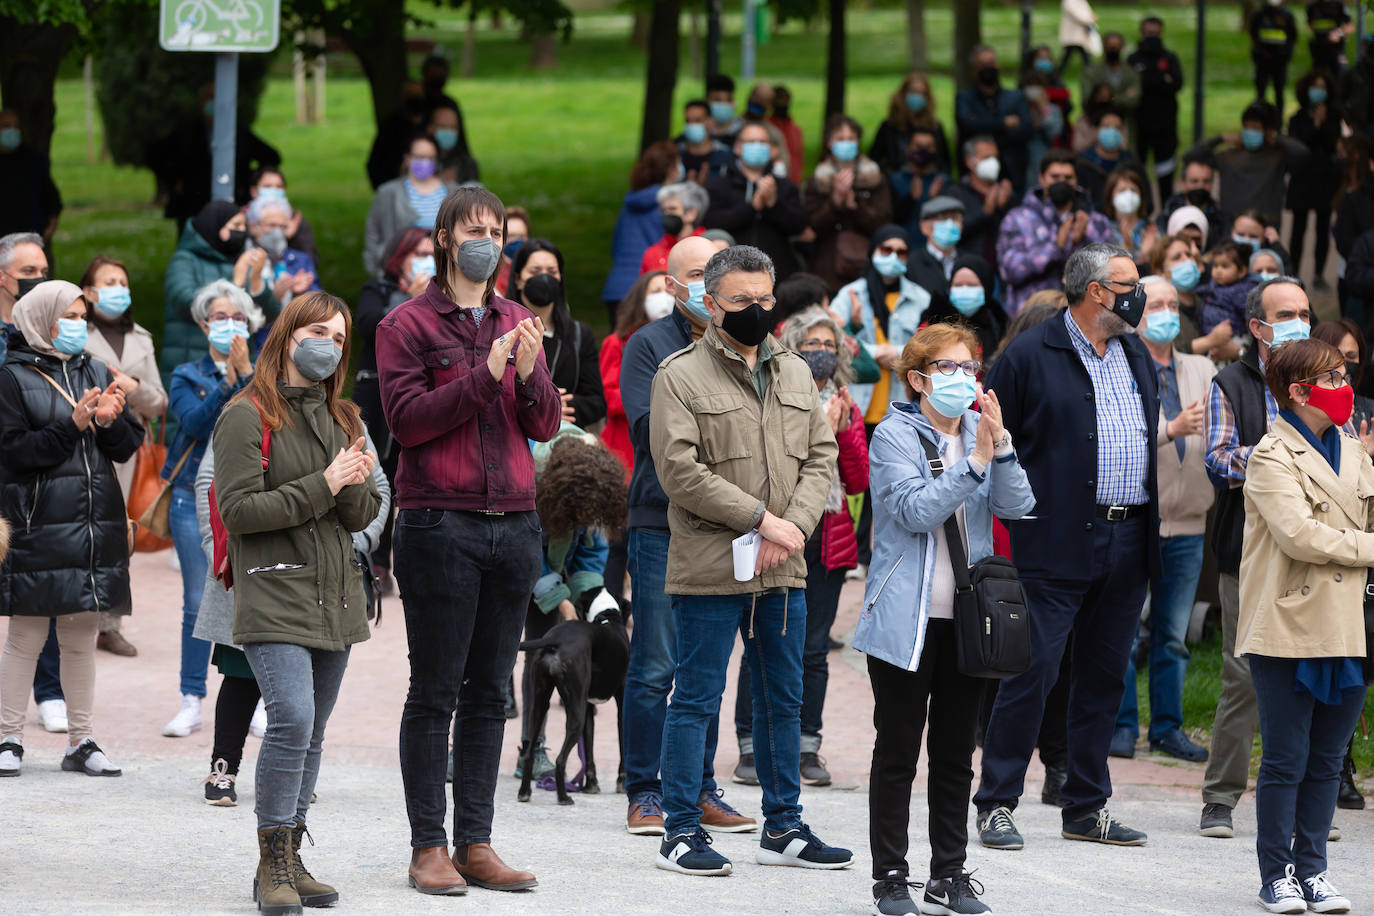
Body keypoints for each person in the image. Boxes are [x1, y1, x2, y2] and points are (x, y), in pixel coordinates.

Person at [376, 187, 559, 895]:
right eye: (474, 229)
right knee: (435, 690)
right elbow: (410, 421)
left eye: (498, 230)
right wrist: (485, 377)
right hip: (438, 523)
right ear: (446, 238)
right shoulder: (407, 325)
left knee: (491, 690)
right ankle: (429, 847)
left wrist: (529, 370)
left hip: (513, 522)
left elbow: (542, 425)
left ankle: (476, 841)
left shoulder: (518, 318)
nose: (488, 239)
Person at [648, 244, 850, 876]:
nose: (757, 311)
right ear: (709, 303)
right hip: (712, 564)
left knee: (782, 699)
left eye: (765, 300)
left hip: (783, 567)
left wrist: (791, 529)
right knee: (698, 697)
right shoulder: (678, 375)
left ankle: (783, 824)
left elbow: (821, 456)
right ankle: (680, 830)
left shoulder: (793, 371)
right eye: (741, 301)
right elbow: (679, 471)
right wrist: (760, 520)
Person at [973, 243, 1157, 851]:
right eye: (1129, 283)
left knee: (1105, 676)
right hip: (1053, 540)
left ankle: (1086, 804)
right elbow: (997, 443)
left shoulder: (1135, 352)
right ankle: (997, 801)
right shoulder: (1028, 354)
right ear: (1096, 290)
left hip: (1128, 537)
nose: (1140, 293)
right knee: (1033, 671)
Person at [857, 322, 1034, 916]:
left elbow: (1018, 505)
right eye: (948, 369)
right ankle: (890, 876)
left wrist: (1000, 447)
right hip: (905, 620)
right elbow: (912, 511)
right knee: (899, 749)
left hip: (968, 618)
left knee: (957, 752)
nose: (963, 379)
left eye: (969, 368)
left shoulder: (982, 435)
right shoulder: (894, 435)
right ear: (918, 379)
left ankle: (949, 874)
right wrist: (977, 461)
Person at [213, 291, 379, 912]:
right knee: (293, 720)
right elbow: (239, 511)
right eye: (318, 333)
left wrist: (356, 481)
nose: (329, 346)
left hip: (336, 595)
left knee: (313, 732)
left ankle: (293, 853)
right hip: (274, 589)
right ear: (287, 335)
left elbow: (360, 514)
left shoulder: (345, 417)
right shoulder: (246, 414)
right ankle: (270, 865)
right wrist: (325, 482)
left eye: (339, 339)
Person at [618, 236, 757, 836]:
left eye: (717, 271)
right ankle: (645, 789)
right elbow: (660, 433)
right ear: (672, 284)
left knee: (705, 669)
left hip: (728, 525)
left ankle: (698, 786)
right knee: (655, 665)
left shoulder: (751, 345)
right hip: (661, 523)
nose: (710, 283)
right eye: (698, 274)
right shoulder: (647, 347)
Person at [1238, 337, 1369, 915]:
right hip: (1290, 621)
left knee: (1327, 758)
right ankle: (1277, 874)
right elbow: (1299, 536)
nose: (1345, 388)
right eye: (1333, 378)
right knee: (1286, 758)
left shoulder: (1354, 449)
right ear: (1298, 390)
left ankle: (1314, 870)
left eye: (1344, 375)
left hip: (1351, 625)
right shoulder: (1270, 455)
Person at [193, 423, 389, 807]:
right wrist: (216, 547)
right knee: (240, 672)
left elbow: (376, 484)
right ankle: (224, 768)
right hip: (256, 569)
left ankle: (295, 776)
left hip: (323, 576)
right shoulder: (246, 411)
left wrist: (358, 545)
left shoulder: (342, 417)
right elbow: (209, 483)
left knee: (308, 689)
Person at [1198, 277, 1328, 840]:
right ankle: (1220, 800)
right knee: (1243, 674)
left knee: (1312, 673)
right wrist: (1284, 451)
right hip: (1246, 552)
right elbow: (1219, 463)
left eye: (1304, 311)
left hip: (1318, 549)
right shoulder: (1230, 381)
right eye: (1286, 313)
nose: (1300, 320)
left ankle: (1305, 801)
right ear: (1258, 327)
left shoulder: (1323, 380)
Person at [0, 280, 142, 778]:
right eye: (71, 316)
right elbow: (14, 452)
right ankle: (8, 737)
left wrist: (106, 421)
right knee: (27, 636)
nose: (80, 325)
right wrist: (74, 425)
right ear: (42, 319)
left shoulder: (97, 369)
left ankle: (81, 741)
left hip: (93, 525)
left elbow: (126, 447)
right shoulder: (12, 377)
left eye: (83, 315)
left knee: (81, 636)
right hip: (38, 523)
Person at [731, 308, 869, 791]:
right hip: (775, 531)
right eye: (813, 343)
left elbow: (857, 479)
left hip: (827, 538)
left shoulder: (844, 404)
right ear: (790, 345)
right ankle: (750, 743)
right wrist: (821, 429)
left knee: (813, 650)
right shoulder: (772, 394)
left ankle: (808, 744)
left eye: (831, 346)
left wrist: (845, 429)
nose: (822, 353)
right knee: (761, 641)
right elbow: (778, 469)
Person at [1108, 276, 1216, 763]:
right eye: (1158, 303)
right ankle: (1122, 726)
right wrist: (1169, 430)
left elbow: (1219, 431)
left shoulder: (1202, 365)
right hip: (1136, 521)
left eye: (1175, 303)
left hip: (1190, 522)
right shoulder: (1119, 362)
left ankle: (1168, 729)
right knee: (1125, 634)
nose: (1168, 311)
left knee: (1172, 638)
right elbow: (1116, 438)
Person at [161, 279, 263, 738]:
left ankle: (257, 696)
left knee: (251, 595)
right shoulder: (188, 375)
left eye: (238, 318)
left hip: (246, 498)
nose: (229, 326)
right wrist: (233, 380)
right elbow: (198, 423)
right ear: (204, 324)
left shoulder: (264, 374)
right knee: (198, 598)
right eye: (220, 318)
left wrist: (248, 375)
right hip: (191, 496)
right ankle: (190, 697)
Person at [80, 256, 168, 657]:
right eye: (108, 281)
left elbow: (159, 400)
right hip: (81, 443)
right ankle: (75, 613)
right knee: (79, 527)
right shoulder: (72, 333)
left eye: (122, 281)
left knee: (119, 531)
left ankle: (109, 623)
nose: (118, 287)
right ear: (89, 292)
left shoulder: (142, 338)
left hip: (127, 448)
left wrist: (133, 387)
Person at [355, 227, 433, 594]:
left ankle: (413, 562)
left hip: (421, 396)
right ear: (399, 256)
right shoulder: (379, 290)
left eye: (430, 252)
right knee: (379, 475)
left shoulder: (441, 297)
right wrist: (408, 299)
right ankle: (378, 560)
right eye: (417, 251)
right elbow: (368, 326)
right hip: (376, 396)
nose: (425, 258)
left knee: (418, 478)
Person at [161, 200, 279, 377]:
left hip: (239, 363)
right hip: (192, 363)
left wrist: (256, 282)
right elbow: (184, 301)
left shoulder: (241, 260)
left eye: (243, 226)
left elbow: (269, 316)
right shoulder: (185, 260)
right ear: (215, 226)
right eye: (235, 225)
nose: (241, 231)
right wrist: (236, 284)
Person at [996, 149, 1115, 314]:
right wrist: (1055, 247)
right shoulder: (1017, 219)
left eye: (1068, 178)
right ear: (1041, 178)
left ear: (1076, 180)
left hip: (1086, 318)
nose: (1062, 182)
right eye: (1055, 177)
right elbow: (1010, 270)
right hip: (1033, 317)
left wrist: (1082, 241)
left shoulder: (1096, 221)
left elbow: (1112, 271)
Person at [146, 83, 281, 229]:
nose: (214, 102)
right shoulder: (187, 133)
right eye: (210, 97)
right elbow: (154, 155)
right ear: (201, 102)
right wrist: (174, 180)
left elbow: (272, 157)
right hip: (193, 203)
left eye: (218, 97)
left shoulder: (239, 133)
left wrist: (247, 180)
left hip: (233, 201)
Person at [838, 226, 933, 422]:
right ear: (873, 251)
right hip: (856, 407)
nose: (893, 256)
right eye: (886, 250)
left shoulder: (921, 298)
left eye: (901, 252)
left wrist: (897, 353)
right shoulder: (850, 294)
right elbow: (832, 339)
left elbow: (931, 345)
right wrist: (875, 353)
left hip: (902, 408)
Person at [508, 239, 606, 429]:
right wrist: (546, 404)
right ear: (519, 280)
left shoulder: (579, 335)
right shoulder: (501, 332)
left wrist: (564, 407)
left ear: (560, 278)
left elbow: (597, 402)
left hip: (561, 443)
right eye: (535, 272)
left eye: (552, 272)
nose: (544, 278)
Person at [702, 122, 809, 282]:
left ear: (772, 150)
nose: (757, 146)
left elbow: (799, 226)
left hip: (777, 275)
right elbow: (712, 222)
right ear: (738, 147)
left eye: (762, 142)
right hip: (729, 274)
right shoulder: (719, 185)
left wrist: (773, 204)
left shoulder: (786, 187)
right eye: (751, 142)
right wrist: (752, 207)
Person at [803, 115, 893, 292]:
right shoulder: (817, 179)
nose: (846, 143)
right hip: (827, 267)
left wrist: (855, 206)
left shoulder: (875, 178)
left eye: (851, 139)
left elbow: (883, 223)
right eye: (840, 139)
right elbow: (811, 227)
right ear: (829, 143)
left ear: (858, 142)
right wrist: (835, 202)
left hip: (866, 263)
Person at [1194, 102, 1307, 227]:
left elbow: (1303, 154)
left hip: (1265, 224)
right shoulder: (1228, 156)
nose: (1250, 133)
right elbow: (1192, 156)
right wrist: (1220, 138)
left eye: (1255, 128)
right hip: (1231, 224)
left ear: (1266, 131)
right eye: (1247, 128)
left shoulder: (1277, 157)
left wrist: (1277, 138)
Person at [602, 141, 680, 323]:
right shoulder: (667, 206)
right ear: (671, 169)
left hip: (616, 287)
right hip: (647, 290)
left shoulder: (630, 203)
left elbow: (616, 246)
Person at [602, 271, 668, 478]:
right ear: (641, 299)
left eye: (668, 291)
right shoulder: (616, 343)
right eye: (656, 291)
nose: (664, 297)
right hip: (624, 447)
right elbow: (612, 398)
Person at [364, 134, 455, 279]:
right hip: (397, 278)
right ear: (407, 158)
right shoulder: (388, 193)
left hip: (446, 277)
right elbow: (373, 233)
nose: (424, 162)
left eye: (430, 158)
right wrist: (378, 272)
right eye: (419, 157)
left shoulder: (452, 193)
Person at [1287, 70, 1341, 287]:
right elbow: (1299, 146)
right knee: (1298, 228)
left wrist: (1323, 124)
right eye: (1314, 86)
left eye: (1322, 87)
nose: (1318, 91)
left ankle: (1318, 273)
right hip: (1302, 178)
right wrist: (1315, 125)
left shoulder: (1335, 117)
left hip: (1325, 179)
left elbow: (1333, 145)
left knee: (1322, 227)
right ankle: (1293, 272)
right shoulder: (1297, 118)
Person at [956, 46, 1034, 195]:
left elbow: (1026, 129)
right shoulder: (965, 99)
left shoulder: (1015, 98)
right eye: (982, 64)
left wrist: (984, 126)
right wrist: (1004, 123)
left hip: (1014, 172)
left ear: (998, 65)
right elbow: (967, 125)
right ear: (974, 70)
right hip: (976, 177)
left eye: (991, 63)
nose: (988, 68)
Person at [1150, 233, 1240, 361]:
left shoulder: (1208, 299)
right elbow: (1166, 352)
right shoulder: (1158, 309)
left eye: (1189, 255)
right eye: (1177, 257)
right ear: (1160, 270)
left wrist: (1237, 351)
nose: (1186, 260)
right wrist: (1210, 341)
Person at [1129, 16, 1185, 201]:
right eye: (1148, 33)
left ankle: (1167, 211)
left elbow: (1177, 84)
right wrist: (1161, 80)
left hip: (1165, 127)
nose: (1152, 36)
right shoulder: (1133, 59)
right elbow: (1133, 89)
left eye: (1155, 33)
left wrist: (1149, 81)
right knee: (1136, 173)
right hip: (1140, 127)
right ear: (1141, 33)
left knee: (1165, 174)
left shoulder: (1170, 58)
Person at [923, 253, 1009, 363]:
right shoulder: (934, 319)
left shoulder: (998, 321)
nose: (964, 290)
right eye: (958, 285)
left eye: (972, 285)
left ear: (986, 288)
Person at [947, 137, 1015, 266]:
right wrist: (985, 212)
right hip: (970, 269)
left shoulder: (1006, 192)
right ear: (969, 161)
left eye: (995, 157)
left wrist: (1005, 205)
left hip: (1002, 270)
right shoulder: (957, 193)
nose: (993, 163)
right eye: (986, 157)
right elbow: (953, 232)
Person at [869, 74, 953, 176]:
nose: (918, 96)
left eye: (922, 93)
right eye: (914, 91)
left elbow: (944, 162)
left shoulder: (934, 126)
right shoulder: (889, 127)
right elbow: (874, 158)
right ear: (903, 94)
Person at [246, 194, 319, 310]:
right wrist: (274, 296)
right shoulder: (245, 259)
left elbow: (318, 306)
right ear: (253, 226)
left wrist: (300, 294)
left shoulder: (301, 260)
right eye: (271, 225)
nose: (277, 232)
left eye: (283, 226)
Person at [0, 110, 61, 245]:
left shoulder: (33, 161)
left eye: (16, 127)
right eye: (6, 126)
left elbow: (52, 200)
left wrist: (49, 229)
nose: (12, 131)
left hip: (30, 240)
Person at [888, 128, 952, 244]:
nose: (923, 151)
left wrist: (935, 200)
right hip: (904, 245)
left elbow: (952, 220)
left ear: (935, 150)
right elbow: (891, 218)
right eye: (918, 146)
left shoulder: (943, 181)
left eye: (928, 147)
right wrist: (911, 198)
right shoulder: (894, 180)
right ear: (908, 149)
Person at [247, 167, 320, 267]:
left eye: (279, 187)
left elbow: (311, 262)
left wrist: (291, 237)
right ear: (253, 191)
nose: (273, 191)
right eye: (267, 186)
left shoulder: (296, 221)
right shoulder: (241, 219)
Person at [366, 79, 429, 191]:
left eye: (417, 94)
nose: (414, 98)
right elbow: (375, 163)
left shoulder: (431, 124)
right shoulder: (391, 126)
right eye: (410, 94)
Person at [639, 182, 710, 278]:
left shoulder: (708, 248)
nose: (667, 214)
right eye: (664, 210)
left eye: (672, 209)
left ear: (691, 214)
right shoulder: (651, 254)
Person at [1075, 109, 1141, 210]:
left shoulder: (1131, 162)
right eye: (1106, 126)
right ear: (1096, 131)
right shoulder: (1083, 163)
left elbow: (1147, 201)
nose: (1112, 131)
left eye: (1117, 127)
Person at [1156, 152, 1224, 248]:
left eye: (1206, 181)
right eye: (1194, 181)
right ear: (1182, 183)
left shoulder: (1219, 217)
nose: (1200, 186)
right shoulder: (1168, 213)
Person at [0, 232, 48, 364]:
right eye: (29, 271)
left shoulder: (53, 330)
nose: (39, 279)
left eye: (44, 272)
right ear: (1, 277)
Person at [909, 197, 963, 306]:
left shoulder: (970, 261)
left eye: (955, 218)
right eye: (942, 218)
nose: (950, 224)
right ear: (924, 226)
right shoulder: (911, 264)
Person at [1101, 167, 1158, 263]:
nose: (1129, 194)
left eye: (1133, 190)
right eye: (1122, 190)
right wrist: (1129, 249)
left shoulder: (1151, 230)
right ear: (1110, 197)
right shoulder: (1103, 231)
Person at [1251, 0, 1299, 113]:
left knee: (1279, 92)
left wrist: (1285, 54)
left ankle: (1278, 123)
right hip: (1263, 60)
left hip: (1280, 61)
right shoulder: (1260, 15)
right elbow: (1253, 36)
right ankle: (1259, 118)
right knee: (1260, 92)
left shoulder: (1287, 16)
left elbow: (1293, 38)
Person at [1081, 32, 1141, 115]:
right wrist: (1123, 97)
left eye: (1116, 46)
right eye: (1110, 46)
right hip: (1096, 122)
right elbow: (1087, 99)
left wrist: (1107, 98)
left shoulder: (1130, 73)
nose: (1113, 49)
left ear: (1122, 47)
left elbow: (1134, 101)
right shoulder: (1091, 71)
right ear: (1104, 47)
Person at [676, 99, 734, 183]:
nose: (692, 125)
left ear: (711, 122)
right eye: (688, 121)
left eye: (697, 120)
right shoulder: (676, 153)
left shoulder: (726, 156)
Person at [428, 102, 479, 186]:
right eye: (442, 127)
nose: (448, 132)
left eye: (452, 127)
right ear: (430, 128)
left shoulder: (467, 164)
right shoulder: (419, 160)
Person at [768, 86, 805, 184]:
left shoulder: (796, 130)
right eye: (779, 99)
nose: (782, 103)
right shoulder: (767, 128)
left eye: (785, 100)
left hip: (793, 182)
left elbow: (799, 159)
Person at [1058, 0, 1101, 73]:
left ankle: (1090, 73)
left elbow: (1087, 11)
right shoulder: (1069, 1)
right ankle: (1090, 73)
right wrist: (1090, 19)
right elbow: (1076, 15)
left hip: (1079, 35)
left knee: (1082, 56)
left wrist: (1091, 16)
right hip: (1073, 34)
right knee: (1075, 56)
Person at [705, 74, 745, 145]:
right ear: (707, 101)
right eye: (717, 100)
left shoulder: (745, 132)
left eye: (729, 100)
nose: (724, 104)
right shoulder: (699, 132)